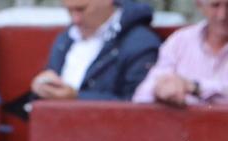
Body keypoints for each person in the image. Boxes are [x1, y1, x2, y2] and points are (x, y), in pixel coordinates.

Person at [131, 0, 228, 108]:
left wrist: (196, 88)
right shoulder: (180, 40)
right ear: (200, 6)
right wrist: (161, 90)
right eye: (215, 5)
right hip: (183, 137)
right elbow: (142, 95)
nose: (222, 15)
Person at [30, 0, 160, 103]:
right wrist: (43, 87)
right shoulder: (66, 38)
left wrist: (76, 98)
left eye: (81, 9)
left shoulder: (140, 44)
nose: (75, 19)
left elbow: (138, 106)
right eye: (69, 10)